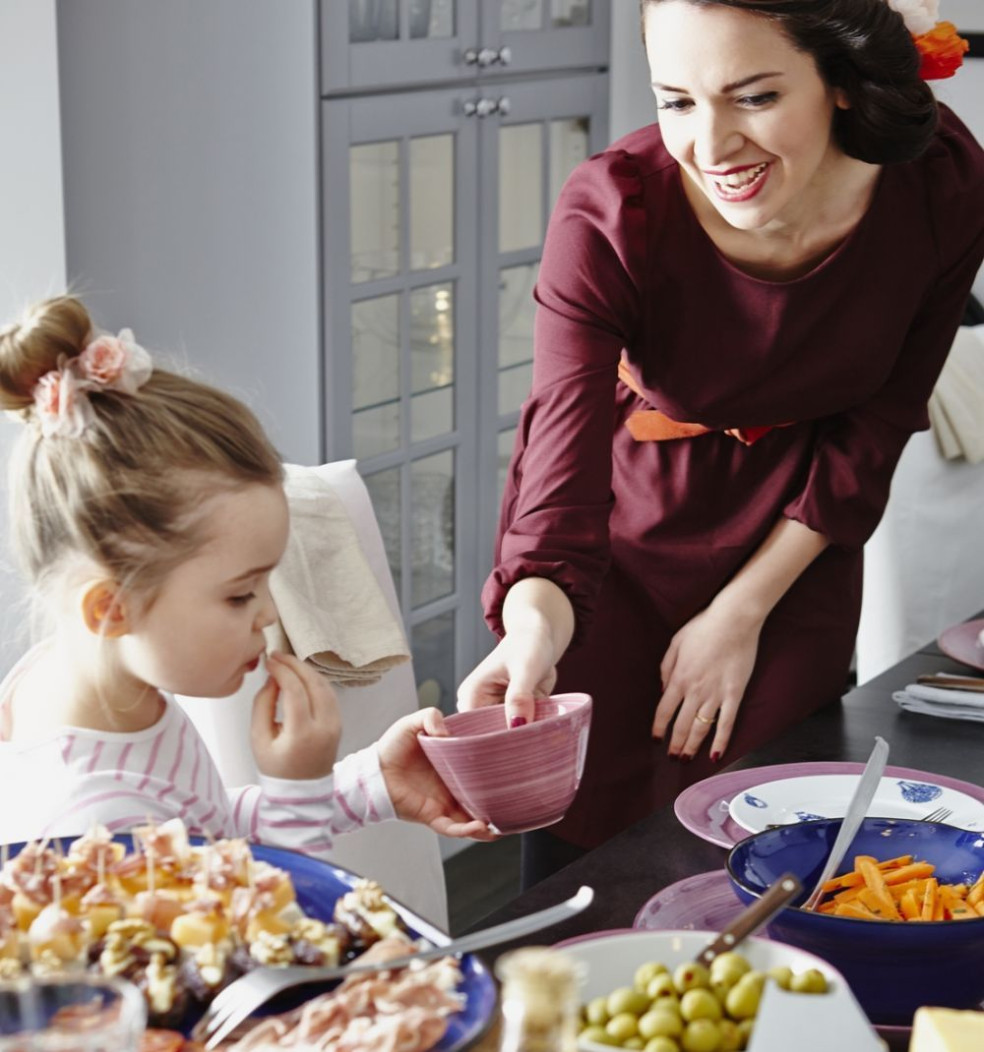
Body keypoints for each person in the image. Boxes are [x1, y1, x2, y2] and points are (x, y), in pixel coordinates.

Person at [458, 0, 984, 885]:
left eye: (755, 96)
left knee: (776, 844)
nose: (711, 145)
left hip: (802, 527)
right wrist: (532, 633)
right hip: (620, 538)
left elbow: (881, 420)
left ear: (842, 84)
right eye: (677, 102)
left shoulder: (941, 185)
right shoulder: (614, 210)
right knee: (586, 853)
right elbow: (561, 468)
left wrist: (741, 611)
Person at [0, 294, 494, 853]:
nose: (268, 613)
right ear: (111, 609)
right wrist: (296, 792)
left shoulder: (90, 687)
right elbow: (267, 930)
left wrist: (370, 784)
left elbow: (199, 827)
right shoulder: (94, 832)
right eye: (240, 595)